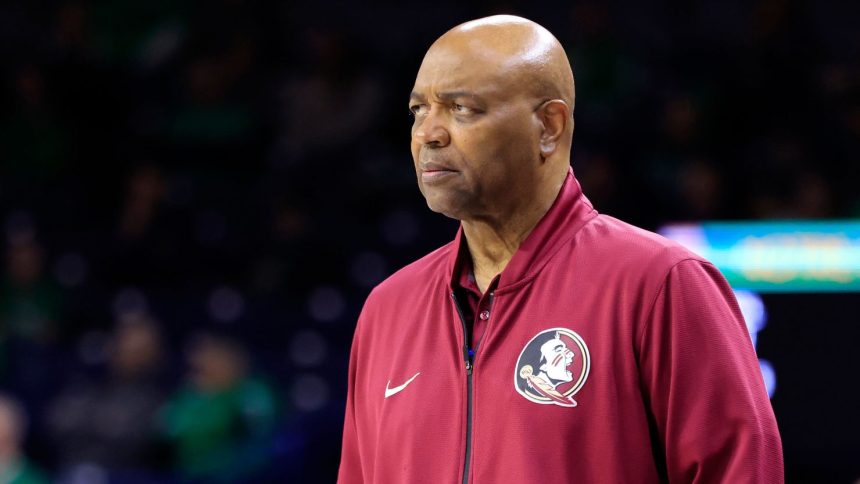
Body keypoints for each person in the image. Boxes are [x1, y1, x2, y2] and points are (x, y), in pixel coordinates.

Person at [338, 14, 783, 484]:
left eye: (461, 108)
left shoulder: (660, 284)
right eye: (418, 110)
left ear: (549, 126)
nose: (428, 133)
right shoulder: (387, 309)